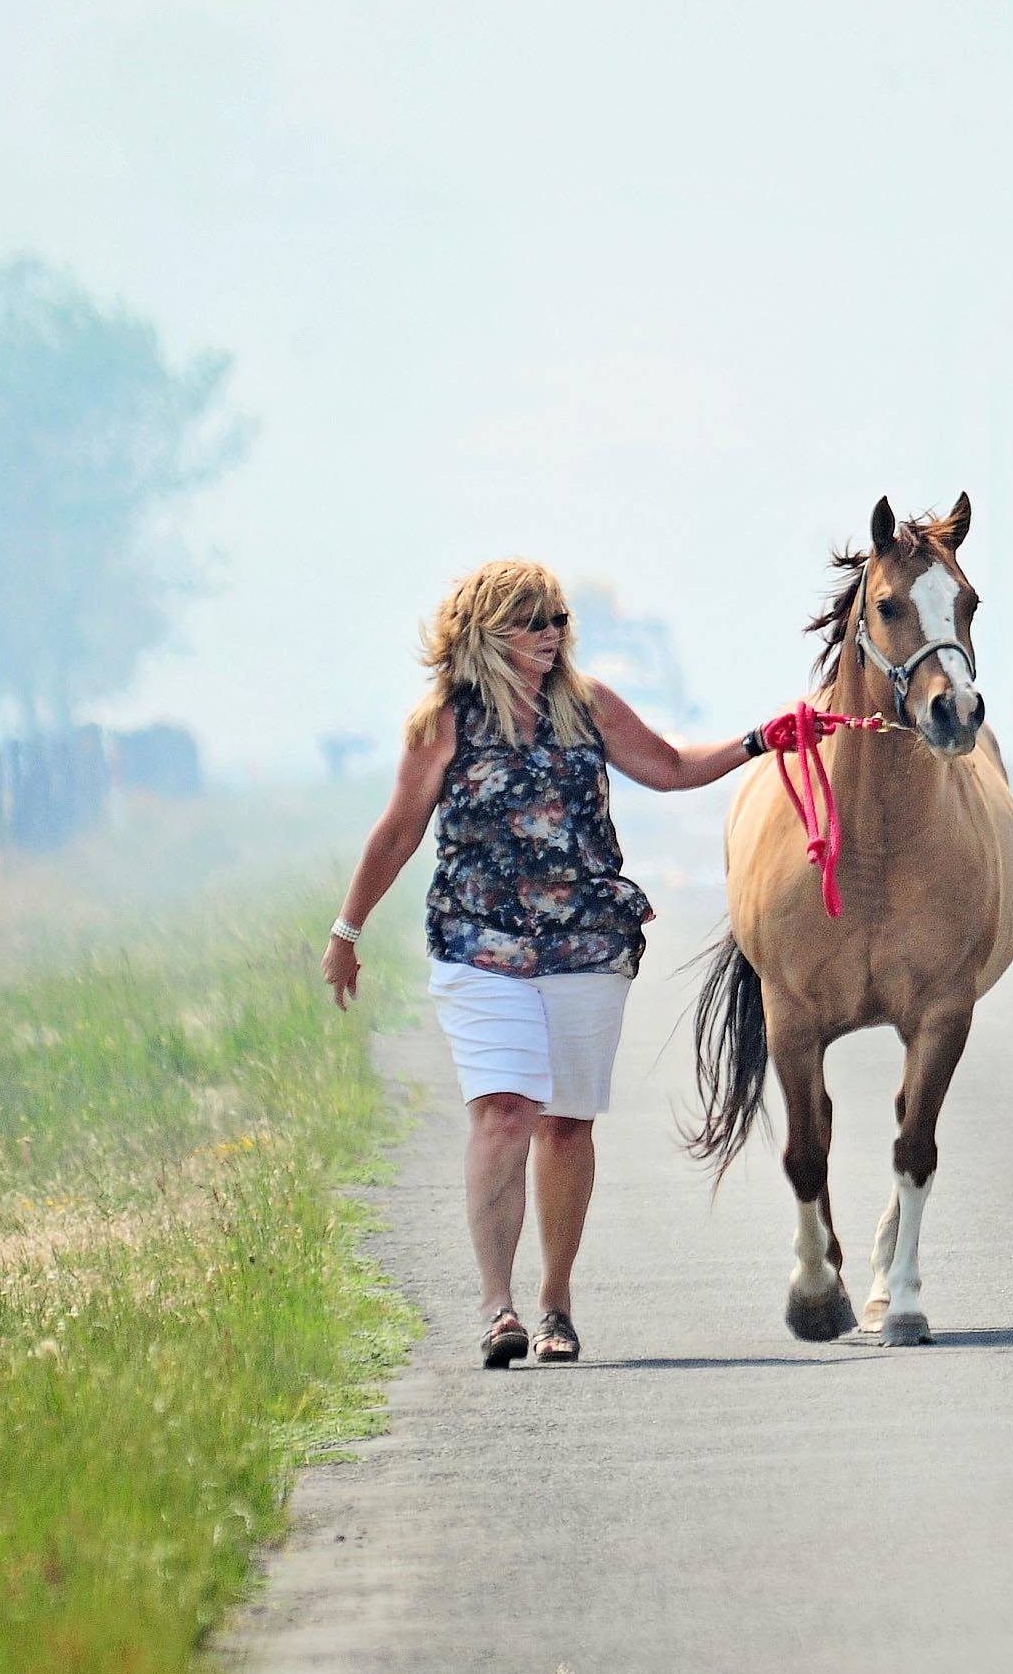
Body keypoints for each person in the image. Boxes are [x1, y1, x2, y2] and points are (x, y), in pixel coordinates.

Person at [322, 560, 772, 1367]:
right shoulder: (445, 722)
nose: (552, 635)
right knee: (502, 1111)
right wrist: (346, 931)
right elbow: (397, 832)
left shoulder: (586, 706)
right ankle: (497, 1308)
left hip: (586, 941)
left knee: (565, 1122)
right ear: (487, 631)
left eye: (558, 619)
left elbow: (670, 768)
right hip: (479, 940)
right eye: (533, 621)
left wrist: (759, 741)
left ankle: (555, 1302)